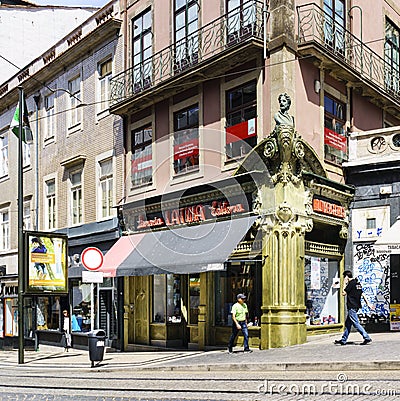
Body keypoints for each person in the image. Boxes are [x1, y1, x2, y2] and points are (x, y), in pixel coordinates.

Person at [334, 270, 375, 346]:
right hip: (356, 306)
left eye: (344, 277)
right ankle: (343, 340)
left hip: (351, 306)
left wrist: (344, 283)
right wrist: (368, 303)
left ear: (346, 276)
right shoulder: (357, 283)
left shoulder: (351, 284)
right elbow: (362, 294)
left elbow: (343, 293)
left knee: (356, 323)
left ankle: (366, 337)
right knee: (348, 324)